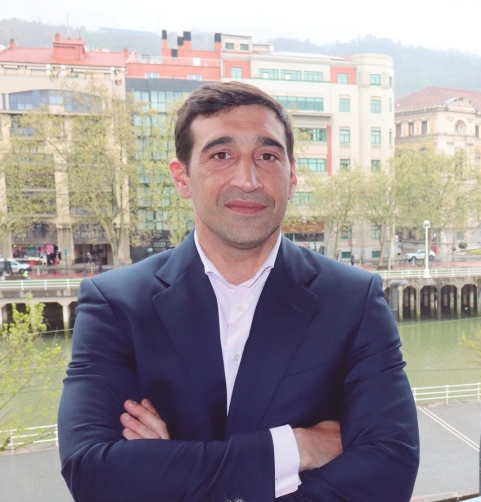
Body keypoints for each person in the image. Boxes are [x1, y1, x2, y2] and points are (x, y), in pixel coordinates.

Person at [57, 82, 419, 501]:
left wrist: (170, 466)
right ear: (182, 177)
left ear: (292, 177)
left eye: (267, 156)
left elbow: (390, 471)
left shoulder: (353, 300)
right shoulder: (116, 304)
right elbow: (91, 473)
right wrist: (295, 448)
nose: (247, 179)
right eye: (221, 155)